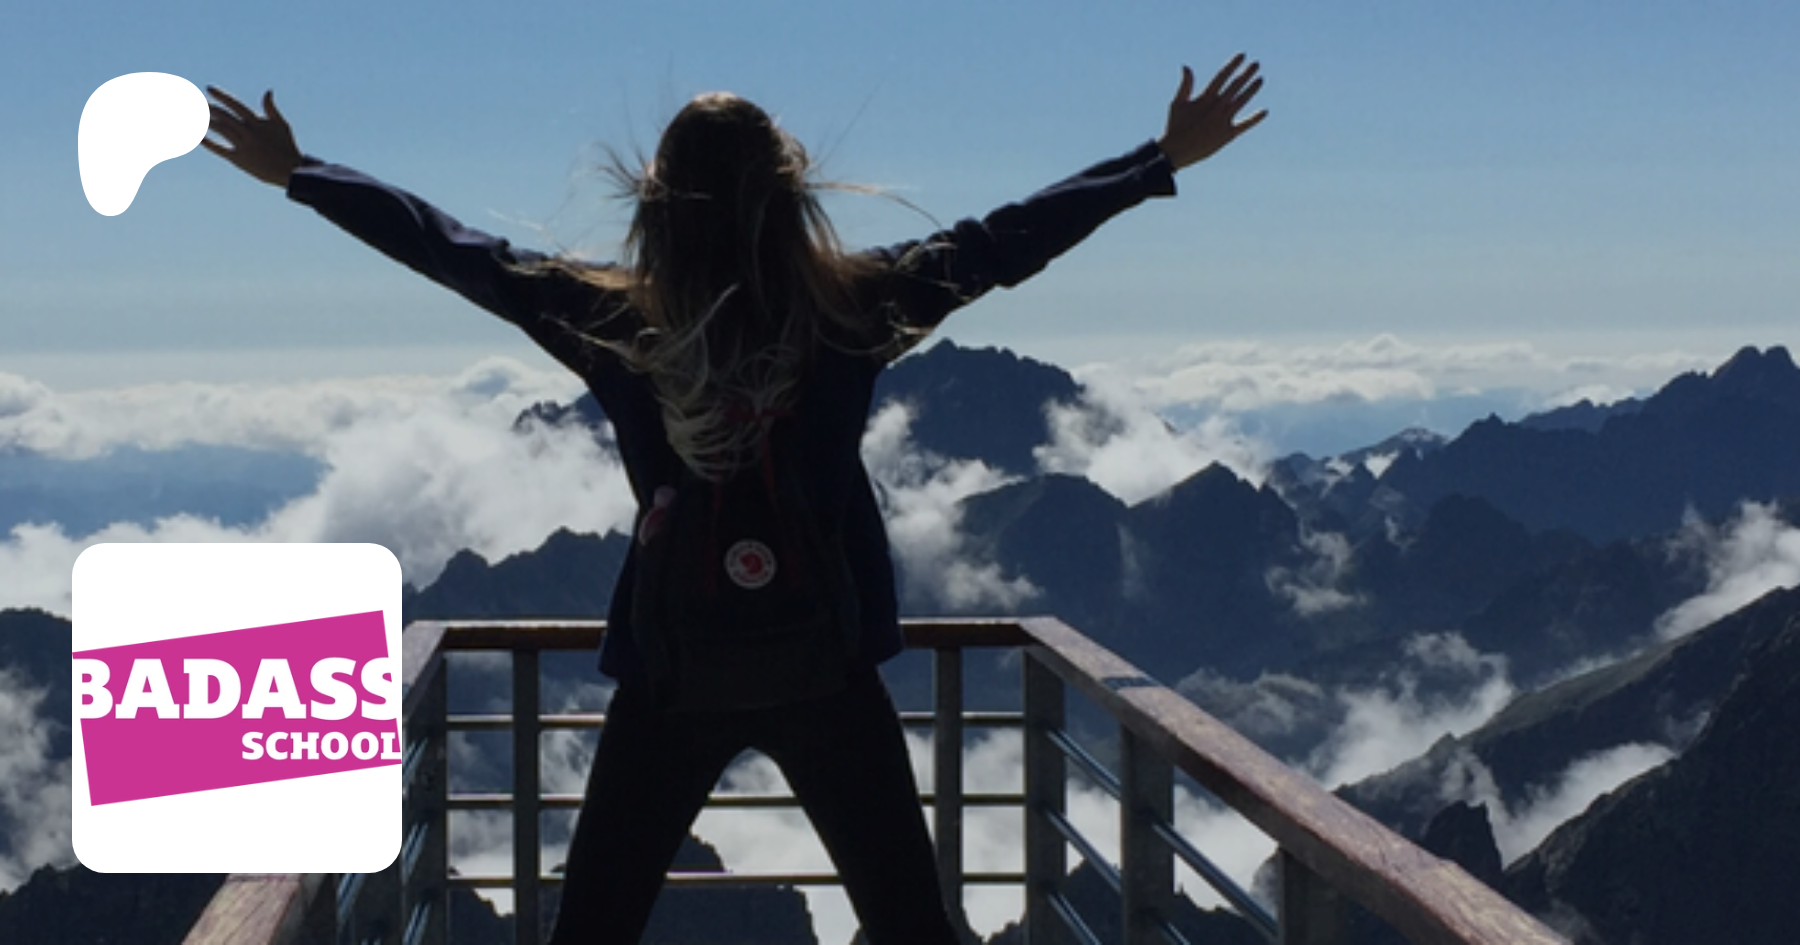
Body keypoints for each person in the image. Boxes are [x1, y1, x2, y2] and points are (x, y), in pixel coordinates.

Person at [205, 55, 1265, 945]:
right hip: (828, 675)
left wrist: (302, 173)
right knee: (912, 928)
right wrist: (1157, 161)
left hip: (671, 679)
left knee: (594, 931)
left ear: (656, 202)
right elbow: (1001, 242)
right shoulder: (853, 306)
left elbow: (453, 251)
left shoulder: (614, 319)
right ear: (792, 192)